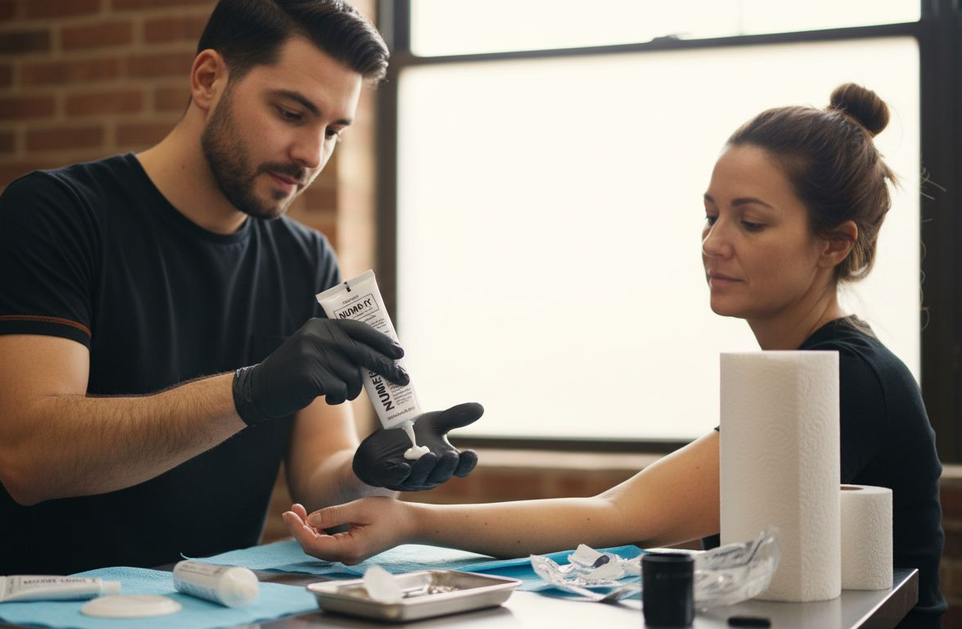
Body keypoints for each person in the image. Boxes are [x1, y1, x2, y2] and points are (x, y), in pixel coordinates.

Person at [283, 84, 946, 628]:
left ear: (834, 244)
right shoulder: (795, 374)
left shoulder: (846, 379)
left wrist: (409, 520)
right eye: (710, 214)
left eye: (750, 221)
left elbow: (623, 516)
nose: (714, 242)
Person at [0, 0, 482, 590]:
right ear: (208, 79)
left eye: (333, 131)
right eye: (292, 112)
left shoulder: (306, 260)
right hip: (45, 612)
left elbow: (319, 477)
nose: (311, 155)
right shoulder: (54, 215)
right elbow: (31, 458)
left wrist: (371, 471)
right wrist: (248, 393)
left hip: (212, 606)